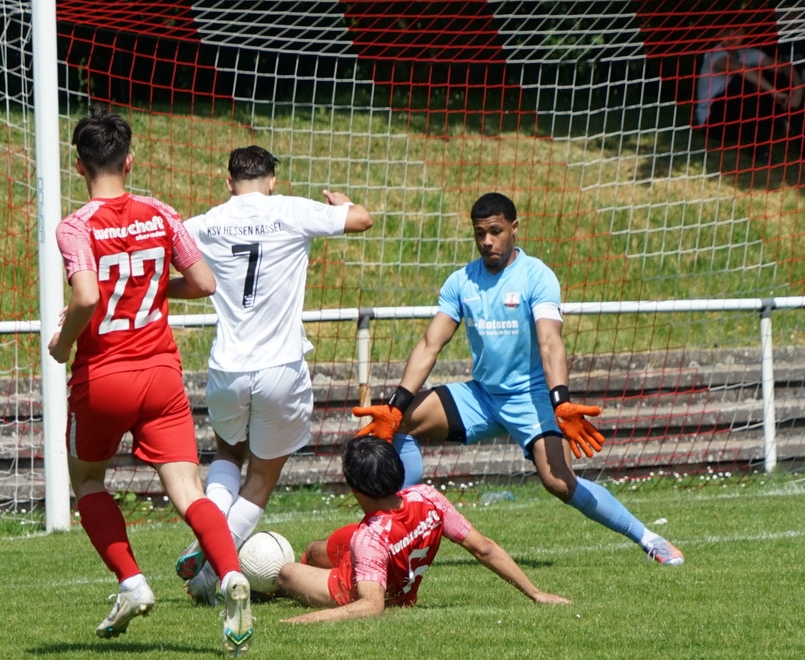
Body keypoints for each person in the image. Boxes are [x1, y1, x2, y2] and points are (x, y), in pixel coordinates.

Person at [352, 191, 685, 566]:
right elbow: (431, 343)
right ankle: (394, 527)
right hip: (481, 397)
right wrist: (395, 404)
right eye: (480, 233)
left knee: (559, 482)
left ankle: (649, 538)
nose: (487, 241)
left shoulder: (537, 276)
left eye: (495, 231)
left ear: (514, 228)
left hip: (532, 399)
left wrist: (561, 402)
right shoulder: (462, 282)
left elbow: (550, 341)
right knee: (395, 424)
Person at [46, 109, 252, 655]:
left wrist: (62, 345)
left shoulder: (76, 225)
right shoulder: (160, 213)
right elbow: (204, 282)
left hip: (104, 376)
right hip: (161, 373)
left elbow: (87, 296)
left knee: (88, 481)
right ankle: (231, 573)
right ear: (129, 161)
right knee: (188, 491)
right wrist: (155, 289)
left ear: (79, 165)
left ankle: (132, 582)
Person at [176, 145, 374, 604]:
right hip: (280, 367)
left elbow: (168, 262)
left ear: (229, 182)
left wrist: (158, 290)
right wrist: (342, 203)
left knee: (229, 451)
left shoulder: (206, 223)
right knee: (262, 477)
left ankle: (206, 540)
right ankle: (209, 569)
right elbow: (362, 219)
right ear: (271, 182)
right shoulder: (290, 210)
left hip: (228, 366)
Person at [276, 435, 571, 623]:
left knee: (286, 573)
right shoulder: (428, 498)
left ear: (354, 488)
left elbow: (371, 605)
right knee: (317, 549)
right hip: (382, 552)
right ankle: (311, 559)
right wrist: (536, 593)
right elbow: (484, 548)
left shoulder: (369, 539)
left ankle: (269, 588)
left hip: (353, 586)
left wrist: (301, 621)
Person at [694, 27, 805, 164]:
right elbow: (742, 70)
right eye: (726, 32)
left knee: (781, 79)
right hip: (714, 123)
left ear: (744, 33)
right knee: (741, 84)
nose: (732, 36)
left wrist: (798, 89)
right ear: (718, 35)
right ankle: (759, 148)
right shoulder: (715, 56)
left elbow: (784, 67)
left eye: (737, 31)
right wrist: (773, 92)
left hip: (740, 120)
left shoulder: (747, 52)